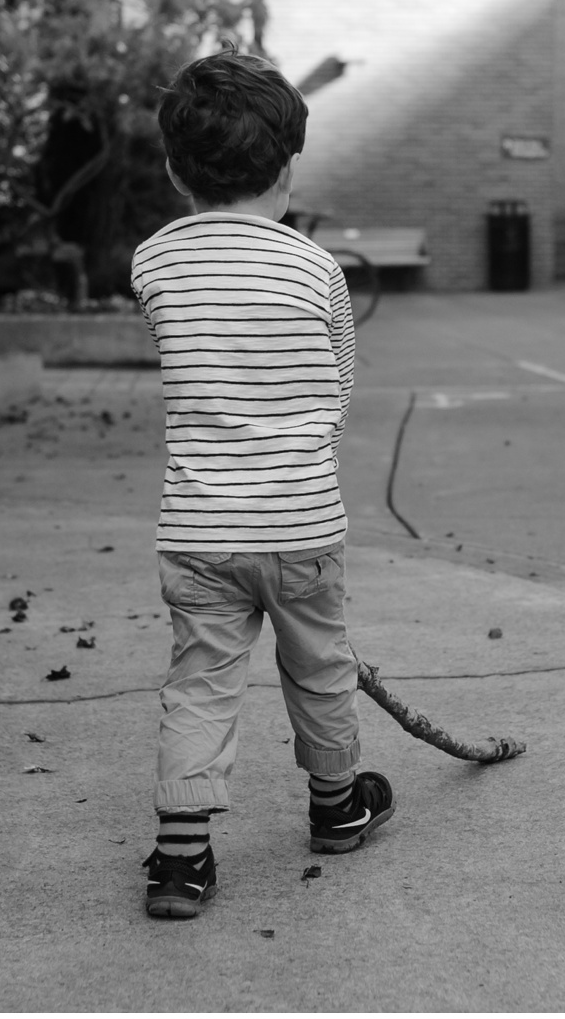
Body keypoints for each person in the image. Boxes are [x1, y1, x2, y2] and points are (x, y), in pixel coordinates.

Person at [126, 48, 394, 919]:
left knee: (201, 679)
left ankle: (182, 858)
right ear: (287, 169)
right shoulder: (317, 269)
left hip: (199, 528)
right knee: (320, 668)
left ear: (174, 170)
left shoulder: (154, 263)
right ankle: (338, 806)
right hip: (302, 519)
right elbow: (340, 386)